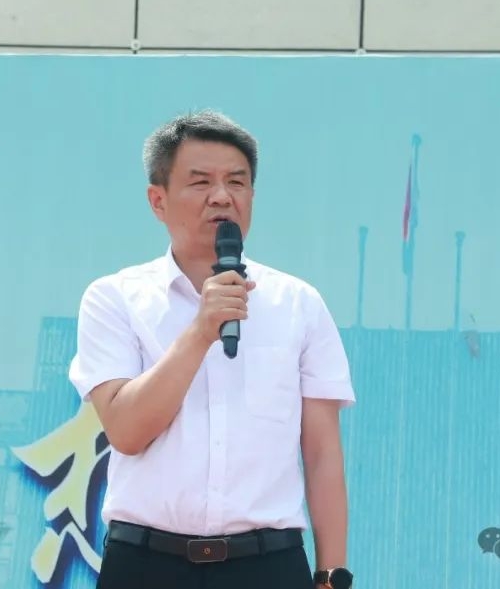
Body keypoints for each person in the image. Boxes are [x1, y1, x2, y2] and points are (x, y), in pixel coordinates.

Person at [68, 109, 356, 589]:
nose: (222, 196)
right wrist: (202, 330)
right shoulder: (114, 298)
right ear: (158, 200)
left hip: (268, 565)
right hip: (145, 564)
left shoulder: (298, 304)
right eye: (201, 182)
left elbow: (322, 452)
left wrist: (331, 575)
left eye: (236, 182)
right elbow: (126, 431)